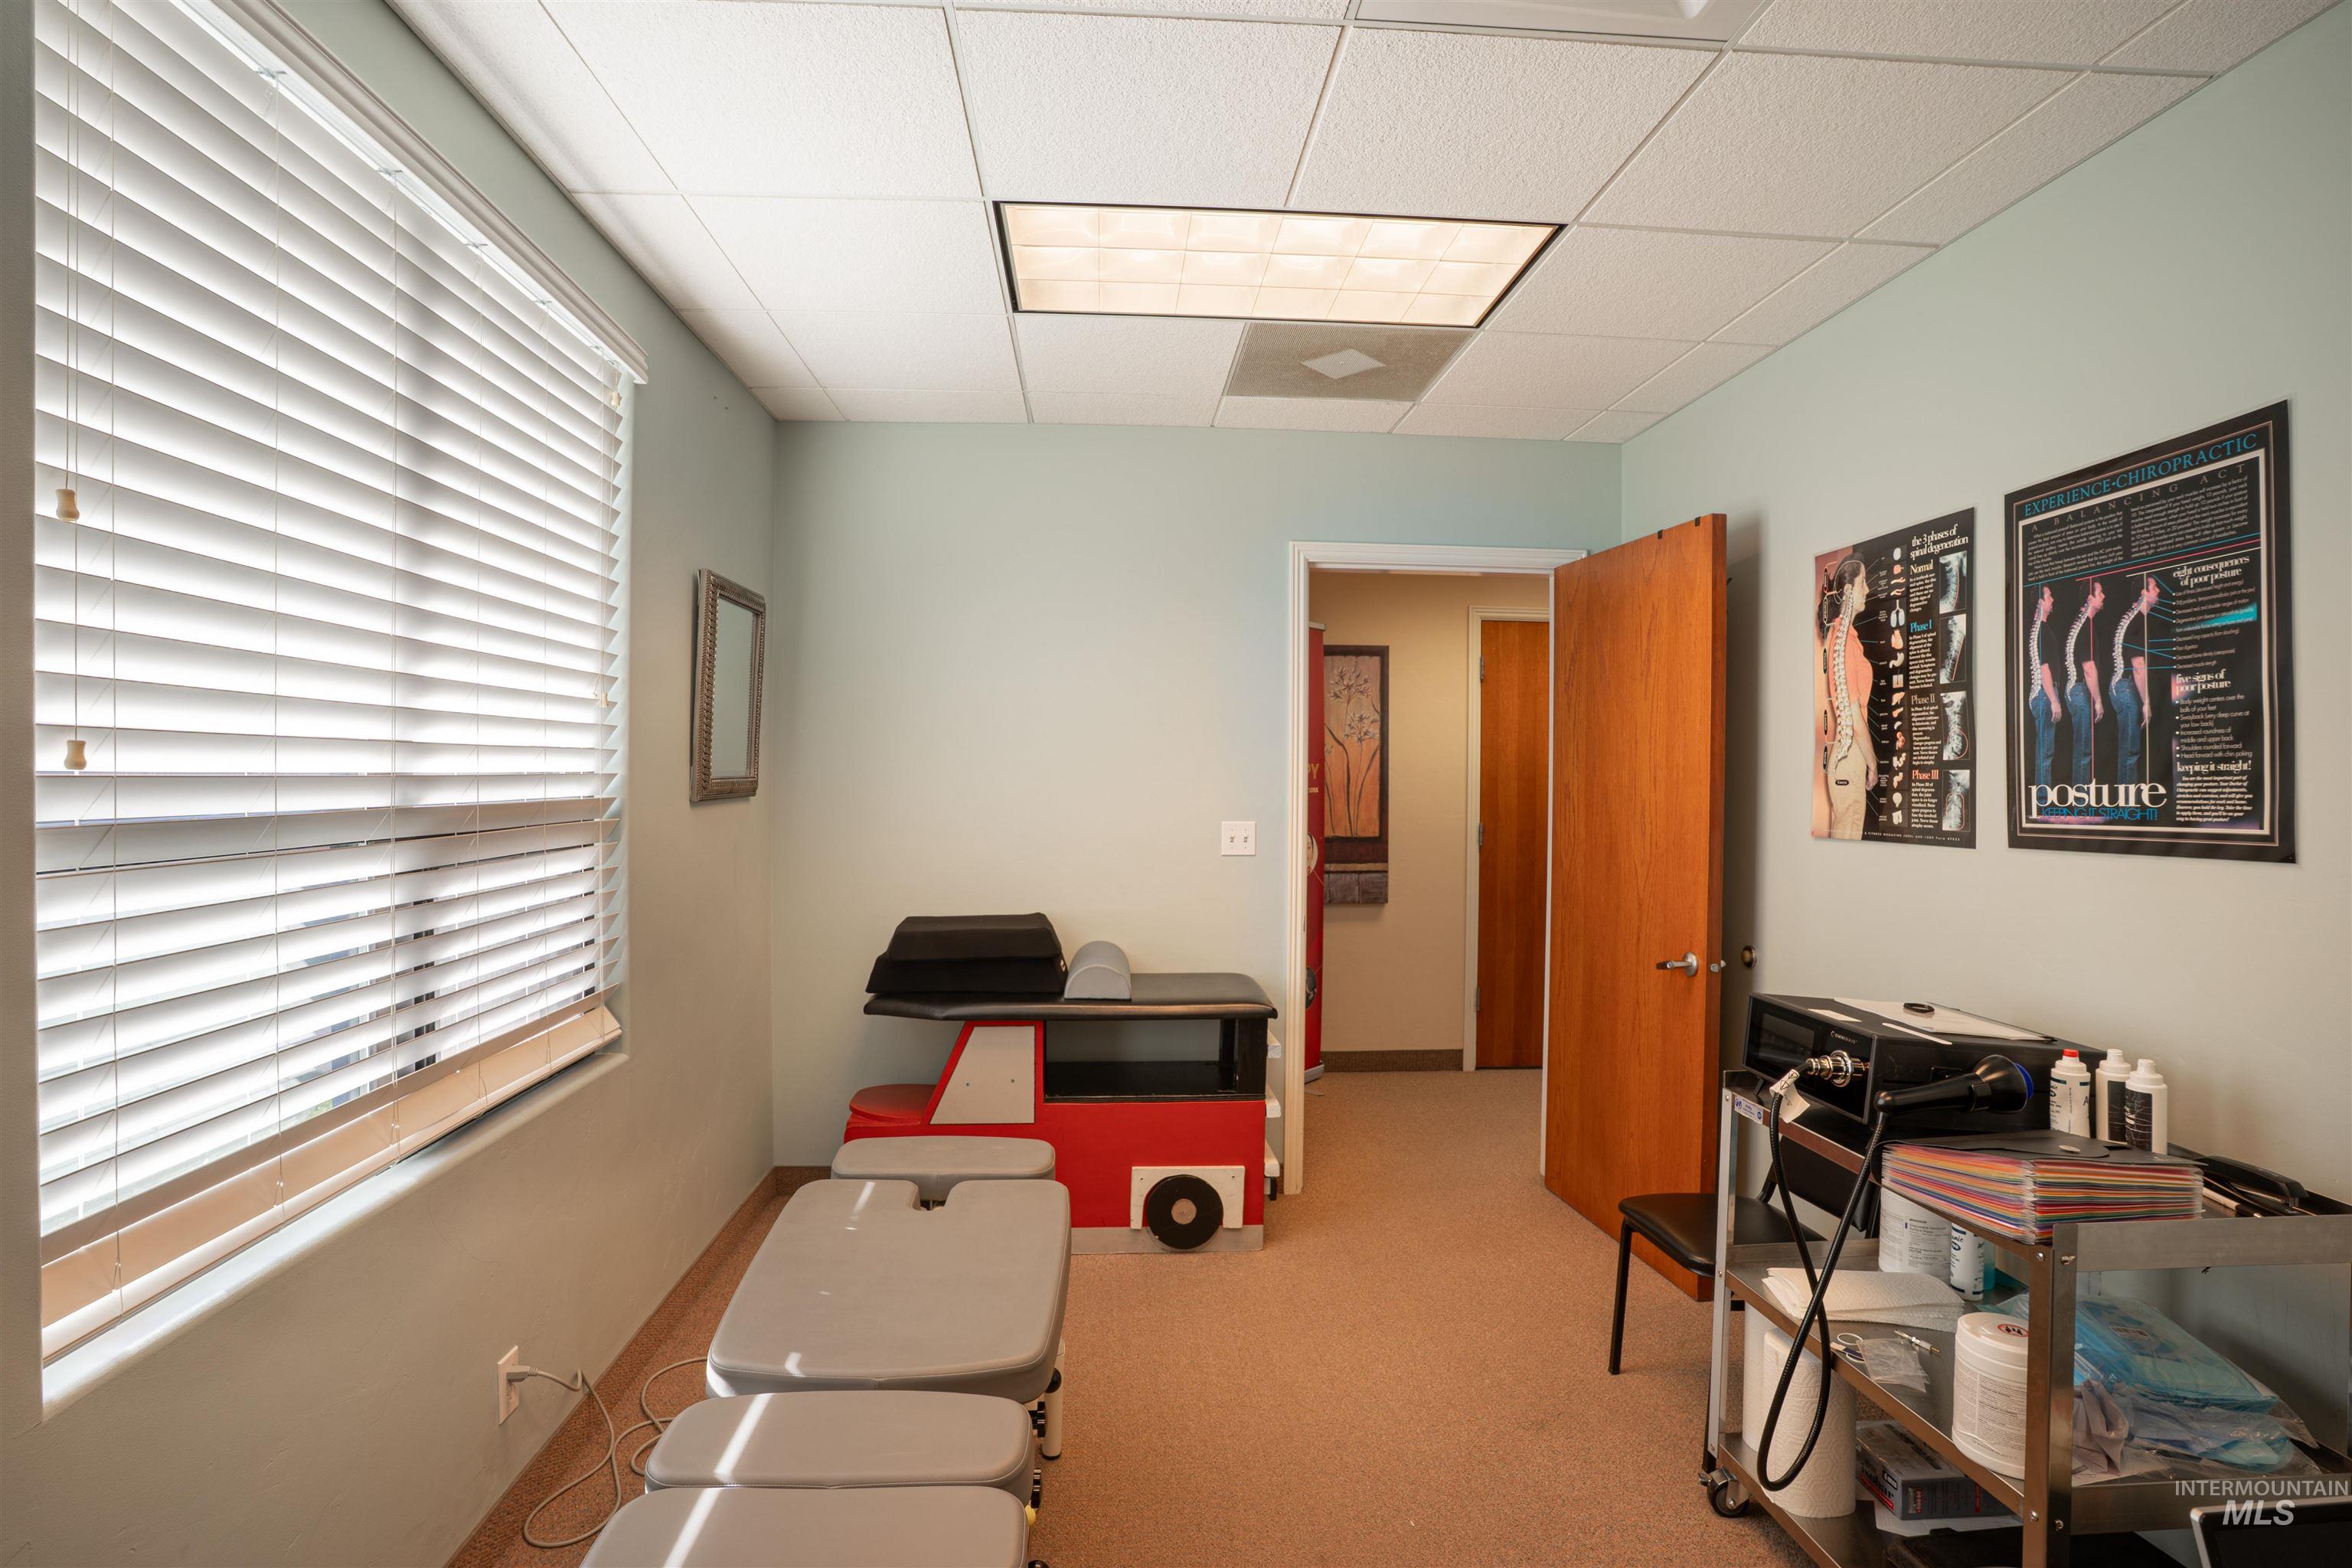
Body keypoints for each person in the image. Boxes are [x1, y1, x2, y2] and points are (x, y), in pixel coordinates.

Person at [1815, 558, 1874, 840]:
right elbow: (1852, 713)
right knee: (1848, 845)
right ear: (1850, 590)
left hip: (1846, 754)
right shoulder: (1844, 642)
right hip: (1851, 754)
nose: (1868, 589)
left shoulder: (1843, 637)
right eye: (1863, 582)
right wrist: (1873, 762)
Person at [2110, 576, 2159, 786]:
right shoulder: (2137, 620)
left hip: (2121, 688)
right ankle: (2127, 807)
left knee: (2128, 751)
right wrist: (2147, 702)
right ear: (2144, 593)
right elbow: (2138, 667)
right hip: (2126, 687)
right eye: (2154, 587)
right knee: (2130, 752)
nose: (2158, 590)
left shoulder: (2133, 617)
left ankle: (2126, 803)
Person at [2063, 579, 2105, 787]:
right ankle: (2082, 806)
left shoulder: (2080, 623)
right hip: (2080, 692)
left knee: (2082, 749)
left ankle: (2081, 802)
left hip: (2074, 691)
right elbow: (2088, 668)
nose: (2104, 596)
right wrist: (2098, 700)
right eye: (2100, 592)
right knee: (2084, 751)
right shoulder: (2086, 627)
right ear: (2090, 598)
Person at [2026, 585, 2060, 793]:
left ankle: (2042, 800)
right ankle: (2042, 801)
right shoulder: (2041, 630)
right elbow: (2044, 667)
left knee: (2045, 753)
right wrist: (2054, 699)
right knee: (2045, 754)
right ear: (2040, 602)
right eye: (2049, 596)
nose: (2053, 599)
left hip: (2043, 694)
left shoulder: (2040, 628)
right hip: (2044, 694)